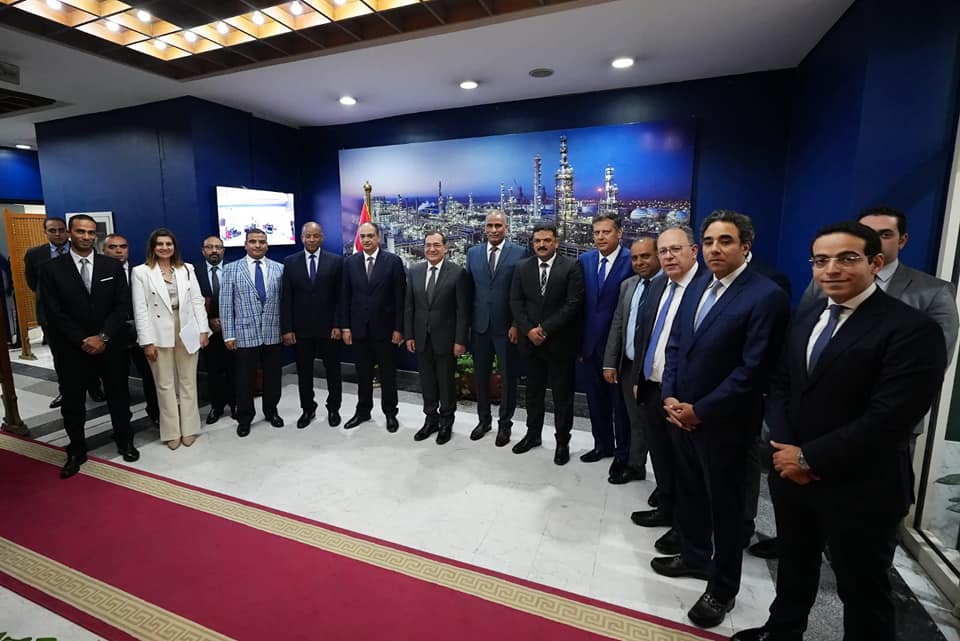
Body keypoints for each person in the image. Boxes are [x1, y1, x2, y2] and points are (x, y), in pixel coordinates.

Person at [731, 221, 947, 641]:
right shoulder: (808, 315)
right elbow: (781, 383)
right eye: (821, 260)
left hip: (860, 484)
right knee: (795, 564)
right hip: (791, 473)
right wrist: (786, 449)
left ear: (875, 262)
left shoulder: (911, 329)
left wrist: (809, 457)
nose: (832, 269)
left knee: (862, 587)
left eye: (847, 258)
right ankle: (782, 630)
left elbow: (891, 418)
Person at [654, 210, 789, 629]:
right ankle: (695, 556)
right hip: (683, 414)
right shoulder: (698, 286)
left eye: (725, 241)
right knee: (691, 492)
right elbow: (676, 345)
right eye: (710, 241)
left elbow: (752, 370)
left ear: (746, 246)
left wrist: (701, 410)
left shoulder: (765, 295)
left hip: (726, 424)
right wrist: (671, 395)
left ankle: (722, 588)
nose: (715, 249)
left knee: (727, 511)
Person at [39, 215, 139, 478]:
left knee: (119, 396)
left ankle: (125, 440)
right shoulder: (51, 269)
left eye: (91, 232)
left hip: (110, 344)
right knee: (73, 401)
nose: (86, 237)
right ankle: (76, 450)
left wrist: (102, 336)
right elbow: (53, 312)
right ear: (69, 233)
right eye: (80, 231)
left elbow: (122, 306)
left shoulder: (112, 266)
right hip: (72, 348)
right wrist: (82, 339)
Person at [629, 226, 707, 556]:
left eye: (676, 249)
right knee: (660, 455)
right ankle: (666, 507)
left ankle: (685, 528)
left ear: (694, 251)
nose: (668, 257)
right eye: (663, 251)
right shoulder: (659, 284)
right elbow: (645, 335)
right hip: (651, 386)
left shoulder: (706, 288)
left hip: (684, 395)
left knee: (686, 466)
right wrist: (639, 376)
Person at [509, 222, 585, 465]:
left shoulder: (571, 266)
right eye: (537, 241)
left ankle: (562, 442)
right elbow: (516, 302)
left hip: (559, 343)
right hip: (531, 343)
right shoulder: (522, 267)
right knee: (533, 394)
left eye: (547, 240)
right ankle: (533, 435)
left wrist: (545, 329)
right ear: (532, 243)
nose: (542, 245)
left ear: (556, 242)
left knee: (562, 397)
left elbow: (573, 304)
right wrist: (529, 330)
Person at [131, 229, 210, 449]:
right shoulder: (141, 272)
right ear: (152, 247)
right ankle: (171, 431)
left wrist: (203, 330)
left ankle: (190, 428)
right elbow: (140, 309)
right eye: (160, 244)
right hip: (158, 330)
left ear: (174, 247)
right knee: (164, 383)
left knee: (188, 381)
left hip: (187, 327)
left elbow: (197, 300)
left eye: (169, 244)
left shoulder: (187, 269)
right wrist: (147, 342)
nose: (164, 248)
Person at [24, 217, 104, 408]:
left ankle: (94, 387)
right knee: (61, 358)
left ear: (68, 232)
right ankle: (65, 391)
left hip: (85, 315)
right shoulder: (35, 255)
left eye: (61, 230)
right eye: (52, 230)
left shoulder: (83, 250)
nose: (58, 234)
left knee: (90, 353)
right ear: (45, 232)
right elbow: (33, 283)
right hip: (52, 317)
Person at [578, 214, 636, 476]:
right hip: (589, 347)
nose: (600, 237)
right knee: (596, 401)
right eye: (596, 232)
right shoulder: (585, 260)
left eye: (606, 232)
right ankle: (602, 445)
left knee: (620, 408)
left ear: (619, 233)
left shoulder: (632, 261)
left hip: (619, 350)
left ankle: (623, 455)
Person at [601, 235, 660, 484]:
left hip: (654, 370)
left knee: (657, 427)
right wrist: (610, 361)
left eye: (645, 256)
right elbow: (618, 323)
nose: (639, 262)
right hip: (628, 365)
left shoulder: (668, 286)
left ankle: (665, 482)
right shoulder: (628, 285)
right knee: (634, 418)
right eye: (635, 258)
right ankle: (636, 465)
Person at [464, 210, 527, 446]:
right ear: (484, 228)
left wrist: (516, 324)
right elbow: (469, 291)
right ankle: (484, 421)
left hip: (507, 328)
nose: (493, 230)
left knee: (508, 378)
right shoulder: (473, 253)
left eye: (498, 225)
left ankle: (505, 425)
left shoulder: (519, 253)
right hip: (479, 326)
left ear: (506, 228)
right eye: (490, 225)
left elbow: (523, 293)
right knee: (481, 376)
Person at [404, 232, 470, 444]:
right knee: (427, 383)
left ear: (445, 248)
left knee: (446, 383)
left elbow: (462, 311)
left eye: (436, 245)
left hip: (447, 340)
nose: (431, 249)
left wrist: (460, 340)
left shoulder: (457, 273)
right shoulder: (415, 271)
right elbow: (409, 307)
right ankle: (430, 419)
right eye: (428, 245)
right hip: (421, 338)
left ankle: (446, 423)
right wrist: (409, 335)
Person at [341, 222, 405, 432]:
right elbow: (345, 298)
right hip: (359, 330)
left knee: (388, 375)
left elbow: (400, 298)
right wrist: (346, 327)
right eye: (363, 236)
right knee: (363, 375)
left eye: (370, 236)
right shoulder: (350, 263)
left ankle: (390, 413)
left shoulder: (393, 262)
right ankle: (363, 411)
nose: (366, 240)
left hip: (386, 331)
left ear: (378, 238)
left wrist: (399, 329)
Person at [220, 228, 285, 436]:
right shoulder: (231, 269)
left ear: (267, 245)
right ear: (245, 245)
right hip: (244, 334)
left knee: (273, 376)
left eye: (262, 242)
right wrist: (229, 334)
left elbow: (284, 303)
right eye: (253, 241)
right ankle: (245, 417)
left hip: (273, 332)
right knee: (244, 379)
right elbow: (225, 305)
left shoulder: (279, 269)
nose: (258, 245)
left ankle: (271, 411)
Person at [281, 222, 344, 429]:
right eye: (308, 236)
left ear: (322, 237)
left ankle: (334, 408)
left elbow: (340, 297)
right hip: (301, 330)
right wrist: (287, 329)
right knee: (304, 372)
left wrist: (338, 324)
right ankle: (308, 408)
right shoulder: (290, 262)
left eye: (316, 236)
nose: (312, 239)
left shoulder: (335, 261)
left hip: (329, 329)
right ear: (302, 238)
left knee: (333, 371)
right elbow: (286, 298)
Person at [102, 233, 160, 426]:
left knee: (151, 376)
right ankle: (122, 426)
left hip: (142, 333)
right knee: (117, 383)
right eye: (113, 247)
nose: (118, 251)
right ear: (104, 250)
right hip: (113, 335)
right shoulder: (99, 273)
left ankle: (156, 413)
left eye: (123, 247)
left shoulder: (141, 272)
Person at [195, 236, 236, 424]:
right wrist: (208, 321)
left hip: (233, 330)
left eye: (218, 247)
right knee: (212, 370)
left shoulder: (233, 269)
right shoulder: (193, 272)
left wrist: (227, 320)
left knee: (234, 369)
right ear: (203, 250)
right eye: (209, 247)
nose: (214, 251)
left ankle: (235, 404)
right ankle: (216, 407)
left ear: (223, 251)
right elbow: (191, 302)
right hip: (207, 331)